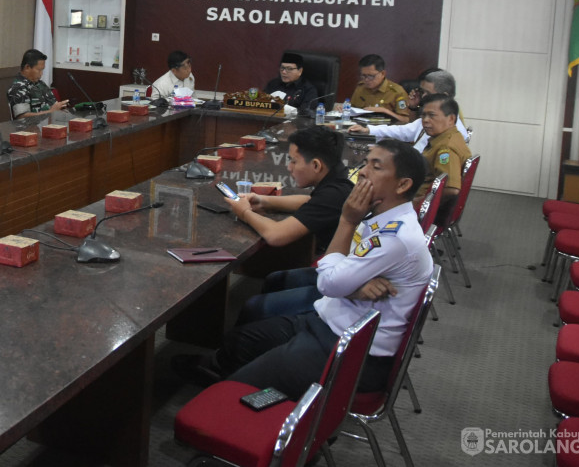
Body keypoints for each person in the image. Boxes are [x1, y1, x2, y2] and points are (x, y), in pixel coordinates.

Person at [195, 140, 433, 399]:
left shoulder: (394, 235)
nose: (363, 171)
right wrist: (353, 286)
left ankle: (234, 396)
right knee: (241, 340)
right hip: (334, 318)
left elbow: (329, 283)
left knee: (234, 392)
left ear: (402, 184)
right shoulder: (380, 212)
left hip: (351, 349)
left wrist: (346, 221)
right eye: (365, 163)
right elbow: (341, 270)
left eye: (376, 167)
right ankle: (222, 376)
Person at [224, 128, 354, 257]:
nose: (289, 167)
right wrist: (264, 201)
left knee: (277, 277)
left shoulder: (333, 194)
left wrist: (244, 212)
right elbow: (310, 201)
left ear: (316, 165)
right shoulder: (338, 181)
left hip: (333, 268)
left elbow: (276, 235)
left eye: (294, 161)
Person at [349, 68, 469, 150]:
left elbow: (421, 158)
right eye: (423, 92)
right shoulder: (434, 118)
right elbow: (404, 131)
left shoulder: (448, 130)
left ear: (445, 96)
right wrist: (368, 130)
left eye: (427, 93)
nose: (423, 97)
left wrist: (390, 153)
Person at [414, 93, 471, 227]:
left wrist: (420, 203)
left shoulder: (446, 149)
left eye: (432, 115)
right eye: (423, 115)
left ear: (451, 119)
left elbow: (451, 189)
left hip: (424, 210)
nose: (425, 120)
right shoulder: (449, 136)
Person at [7, 49, 69, 118]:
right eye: (39, 70)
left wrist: (60, 109)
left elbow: (54, 105)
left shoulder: (40, 84)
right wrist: (50, 112)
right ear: (27, 67)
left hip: (48, 125)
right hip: (29, 128)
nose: (41, 74)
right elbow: (22, 117)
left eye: (42, 70)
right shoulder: (18, 88)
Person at [350, 54, 411, 122]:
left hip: (385, 130)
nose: (366, 80)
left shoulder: (397, 92)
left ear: (383, 73)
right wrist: (344, 109)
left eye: (371, 76)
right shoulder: (361, 87)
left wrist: (385, 111)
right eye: (363, 76)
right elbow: (352, 111)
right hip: (361, 128)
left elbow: (405, 120)